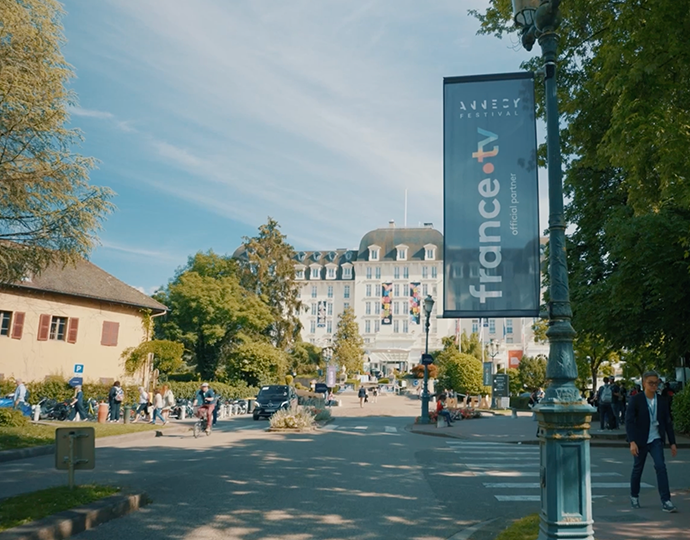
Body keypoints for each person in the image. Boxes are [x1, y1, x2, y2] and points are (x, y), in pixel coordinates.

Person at [626, 370, 678, 513]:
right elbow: (629, 422)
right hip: (640, 440)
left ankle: (666, 501)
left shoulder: (662, 400)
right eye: (651, 383)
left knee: (661, 467)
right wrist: (632, 442)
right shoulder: (636, 400)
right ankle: (634, 495)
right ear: (644, 384)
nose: (654, 385)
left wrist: (672, 442)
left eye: (656, 383)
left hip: (656, 439)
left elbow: (668, 422)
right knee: (638, 469)